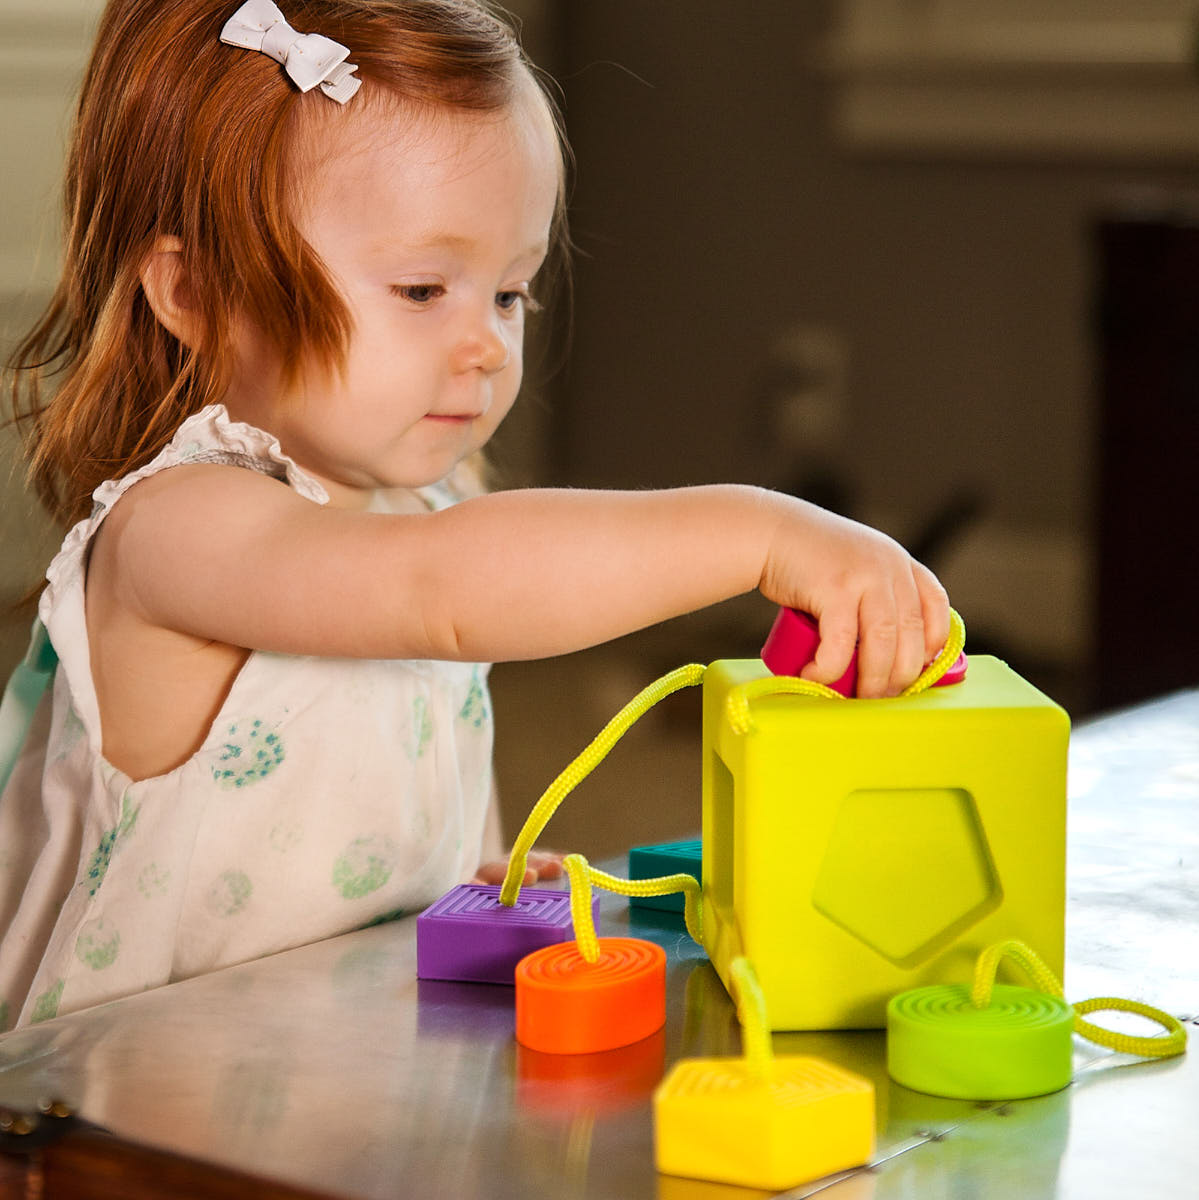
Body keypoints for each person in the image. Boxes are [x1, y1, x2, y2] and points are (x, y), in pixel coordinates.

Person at [0, 0, 950, 1030]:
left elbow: (404, 730)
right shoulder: (176, 532)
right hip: (117, 1125)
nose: (488, 345)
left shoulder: (433, 503)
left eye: (509, 293)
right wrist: (760, 531)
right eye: (420, 289)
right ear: (193, 293)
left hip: (329, 1077)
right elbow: (437, 587)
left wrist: (470, 871)